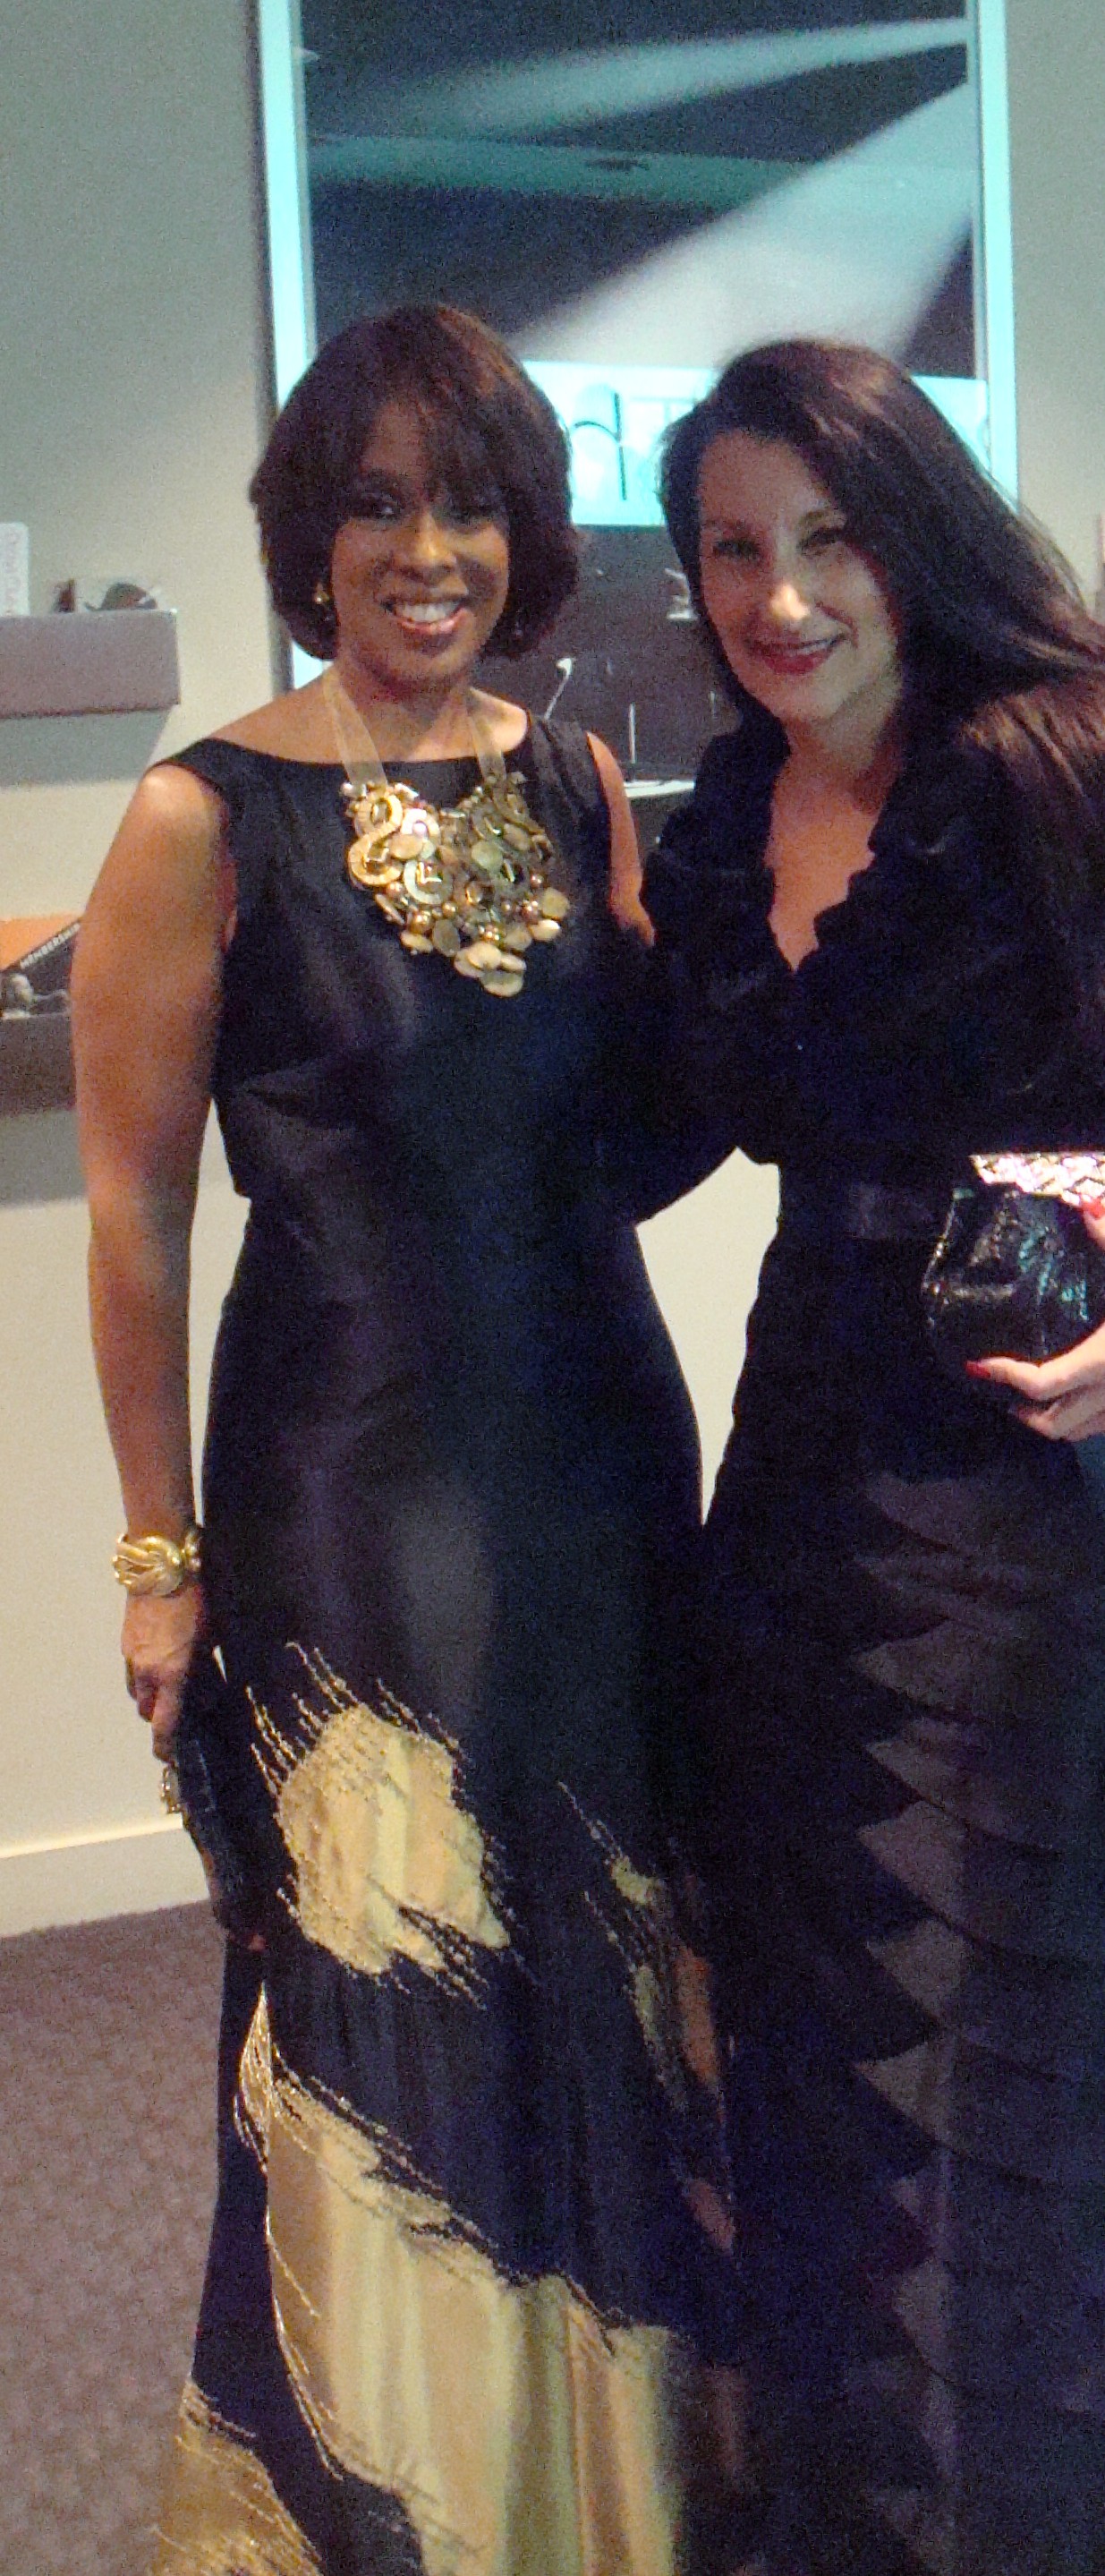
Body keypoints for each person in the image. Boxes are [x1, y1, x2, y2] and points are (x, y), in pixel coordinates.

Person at [72, 307, 740, 2576]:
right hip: (346, 1472)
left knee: (610, 1962)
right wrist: (156, 1548)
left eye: (463, 503)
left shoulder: (573, 781)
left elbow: (627, 1130)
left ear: (524, 534)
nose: (423, 550)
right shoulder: (203, 812)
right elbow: (137, 1214)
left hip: (597, 1445)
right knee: (393, 1962)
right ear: (311, 535)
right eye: (375, 503)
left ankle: (608, 2499)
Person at [645, 339, 1105, 2574]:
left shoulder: (1053, 760)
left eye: (829, 538)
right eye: (734, 548)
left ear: (913, 535)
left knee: (976, 2027)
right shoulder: (721, 816)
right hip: (803, 1452)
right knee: (812, 2016)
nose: (783, 595)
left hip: (1021, 1490)